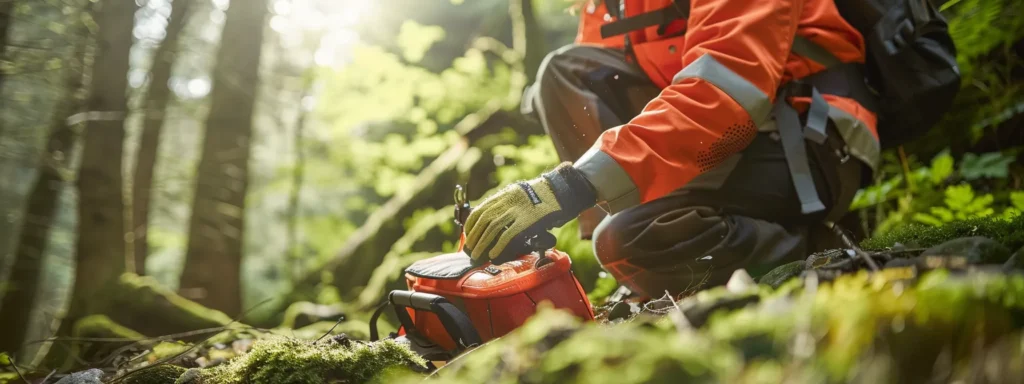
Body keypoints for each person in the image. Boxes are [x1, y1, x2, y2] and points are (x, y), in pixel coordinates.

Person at [462, 0, 880, 298]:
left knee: (626, 242)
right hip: (728, 140)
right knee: (563, 71)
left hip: (811, 140)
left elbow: (723, 94)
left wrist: (571, 186)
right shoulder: (610, 5)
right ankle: (639, 234)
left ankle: (815, 245)